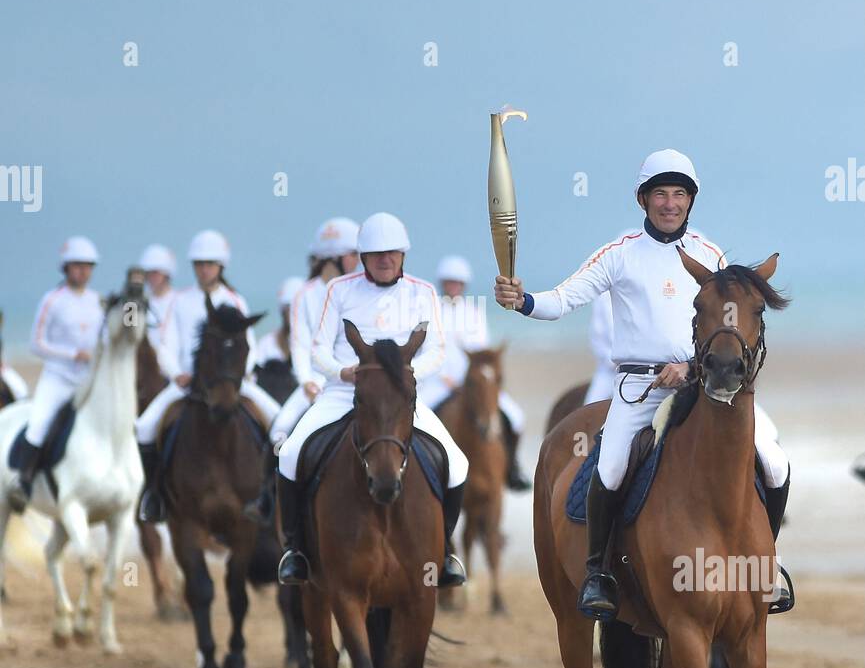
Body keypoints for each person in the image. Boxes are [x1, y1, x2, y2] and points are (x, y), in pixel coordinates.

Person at [494, 149, 792, 620]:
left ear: (690, 201)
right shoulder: (620, 253)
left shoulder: (710, 255)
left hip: (706, 384)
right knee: (610, 468)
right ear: (643, 199)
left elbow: (725, 327)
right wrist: (523, 300)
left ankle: (765, 566)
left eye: (679, 194)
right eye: (660, 193)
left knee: (773, 461)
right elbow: (562, 299)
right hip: (639, 389)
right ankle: (598, 573)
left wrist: (691, 368)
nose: (669, 203)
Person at [275, 212, 468, 587]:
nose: (385, 260)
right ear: (362, 257)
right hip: (344, 393)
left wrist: (408, 376)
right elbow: (318, 351)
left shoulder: (423, 292)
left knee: (457, 462)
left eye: (392, 253)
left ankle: (444, 553)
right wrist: (342, 372)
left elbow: (437, 350)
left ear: (403, 256)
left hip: (399, 397)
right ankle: (295, 550)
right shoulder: (340, 290)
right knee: (289, 453)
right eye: (376, 254)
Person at [136, 229, 280, 521]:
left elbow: (248, 343)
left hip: (231, 382)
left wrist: (242, 374)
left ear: (220, 267)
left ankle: (269, 492)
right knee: (144, 426)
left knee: (278, 419)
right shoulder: (180, 300)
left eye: (210, 264)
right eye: (199, 264)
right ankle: (153, 495)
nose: (204, 269)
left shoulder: (235, 300)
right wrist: (176, 374)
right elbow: (165, 344)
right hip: (190, 382)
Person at [417, 254, 532, 490]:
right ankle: (416, 469)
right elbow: (423, 350)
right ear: (442, 283)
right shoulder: (428, 311)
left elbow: (481, 351)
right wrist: (445, 379)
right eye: (449, 282)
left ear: (464, 285)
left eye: (457, 283)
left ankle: (512, 467)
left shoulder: (474, 312)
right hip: (437, 381)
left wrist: (472, 379)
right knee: (416, 418)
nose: (453, 287)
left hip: (472, 382)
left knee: (516, 417)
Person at [7, 236, 104, 512]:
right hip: (58, 378)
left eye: (87, 266)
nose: (82, 271)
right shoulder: (52, 300)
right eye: (77, 266)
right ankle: (22, 481)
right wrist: (72, 354)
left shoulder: (98, 302)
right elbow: (35, 344)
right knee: (38, 425)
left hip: (88, 381)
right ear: (66, 268)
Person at [269, 217, 360, 446]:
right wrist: (305, 381)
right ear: (334, 257)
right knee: (279, 430)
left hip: (355, 379)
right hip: (316, 381)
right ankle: (272, 483)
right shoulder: (304, 294)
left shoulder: (360, 290)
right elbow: (300, 343)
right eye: (353, 254)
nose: (359, 261)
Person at [139, 243, 178, 378]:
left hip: (176, 372)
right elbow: (128, 331)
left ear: (167, 274)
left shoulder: (180, 300)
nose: (152, 277)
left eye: (156, 273)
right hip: (145, 373)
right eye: (148, 273)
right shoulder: (134, 303)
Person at [256, 277, 305, 365]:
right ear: (282, 310)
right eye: (289, 307)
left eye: (299, 307)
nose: (294, 312)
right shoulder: (266, 345)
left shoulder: (315, 346)